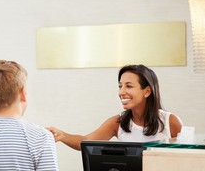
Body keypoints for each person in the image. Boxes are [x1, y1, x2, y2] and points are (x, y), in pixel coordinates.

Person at [48, 64, 183, 150]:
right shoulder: (117, 122)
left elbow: (187, 159)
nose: (121, 92)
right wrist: (63, 135)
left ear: (147, 91)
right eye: (120, 86)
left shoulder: (170, 122)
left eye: (128, 86)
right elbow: (84, 142)